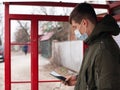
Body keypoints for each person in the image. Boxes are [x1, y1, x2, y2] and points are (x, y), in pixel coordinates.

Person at [63, 3, 120, 90]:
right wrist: (78, 79)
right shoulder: (94, 44)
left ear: (84, 23)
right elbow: (96, 76)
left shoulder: (103, 49)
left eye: (75, 27)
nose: (75, 32)